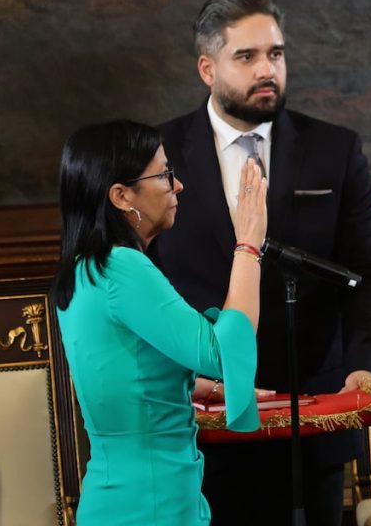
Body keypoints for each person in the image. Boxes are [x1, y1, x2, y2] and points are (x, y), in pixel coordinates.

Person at [149, 0, 371, 526]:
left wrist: (364, 366)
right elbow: (142, 285)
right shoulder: (156, 154)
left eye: (276, 54)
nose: (267, 70)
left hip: (311, 421)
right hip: (201, 426)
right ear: (207, 69)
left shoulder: (335, 150)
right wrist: (180, 378)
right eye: (247, 56)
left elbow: (367, 275)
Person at [51, 120, 268, 525]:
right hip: (151, 504)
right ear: (121, 195)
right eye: (165, 174)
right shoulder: (121, 266)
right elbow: (220, 353)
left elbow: (122, 372)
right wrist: (248, 244)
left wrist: (201, 387)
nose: (178, 186)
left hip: (126, 495)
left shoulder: (86, 267)